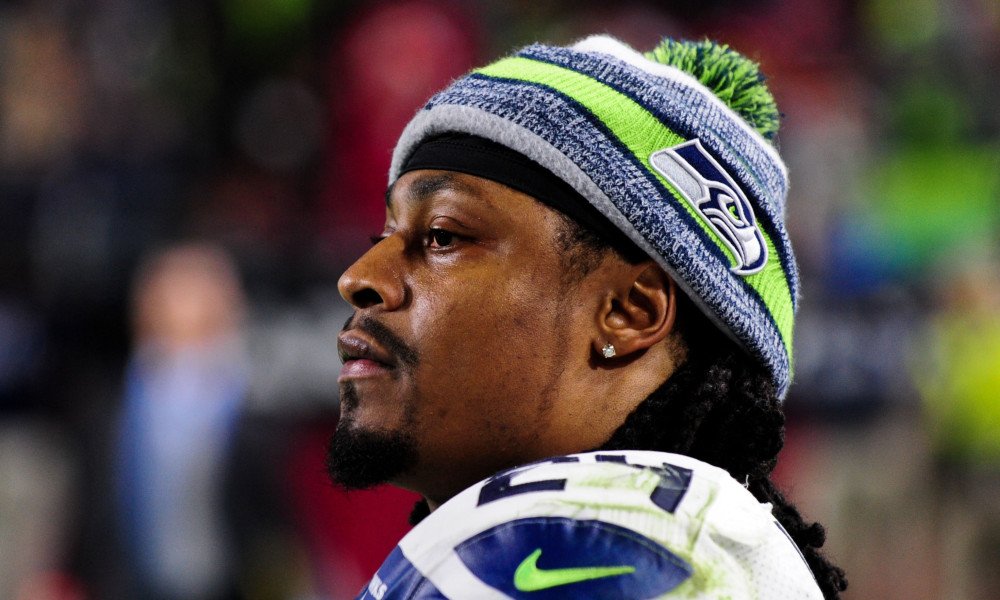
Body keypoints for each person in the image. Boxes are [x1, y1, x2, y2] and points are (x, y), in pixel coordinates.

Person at [326, 34, 848, 599]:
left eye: (442, 235)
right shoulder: (638, 536)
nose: (358, 277)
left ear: (629, 312)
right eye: (382, 237)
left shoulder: (591, 549)